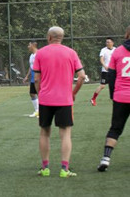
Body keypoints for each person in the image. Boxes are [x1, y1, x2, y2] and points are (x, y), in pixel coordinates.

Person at [97, 24, 130, 172]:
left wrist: (113, 96)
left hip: (120, 97)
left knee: (115, 128)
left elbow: (111, 75)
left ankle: (105, 158)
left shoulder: (118, 52)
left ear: (126, 35)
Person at [33, 26, 85, 178]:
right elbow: (82, 76)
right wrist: (73, 93)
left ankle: (45, 168)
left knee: (44, 132)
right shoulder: (71, 52)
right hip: (64, 99)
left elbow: (36, 79)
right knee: (65, 133)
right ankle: (64, 169)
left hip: (46, 100)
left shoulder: (40, 53)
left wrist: (41, 93)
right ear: (61, 37)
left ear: (49, 37)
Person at [91, 38, 116, 106]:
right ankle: (93, 98)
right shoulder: (103, 50)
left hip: (113, 71)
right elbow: (101, 59)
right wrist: (105, 66)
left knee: (115, 85)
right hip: (105, 71)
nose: (107, 43)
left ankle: (116, 100)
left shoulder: (115, 50)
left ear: (112, 43)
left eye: (108, 42)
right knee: (102, 86)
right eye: (106, 42)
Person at [23, 41, 39, 118]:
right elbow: (31, 67)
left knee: (40, 93)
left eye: (29, 45)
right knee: (32, 93)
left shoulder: (39, 54)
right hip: (33, 76)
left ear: (33, 45)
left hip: (39, 76)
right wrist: (27, 76)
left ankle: (43, 111)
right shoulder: (31, 55)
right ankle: (37, 111)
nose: (28, 46)